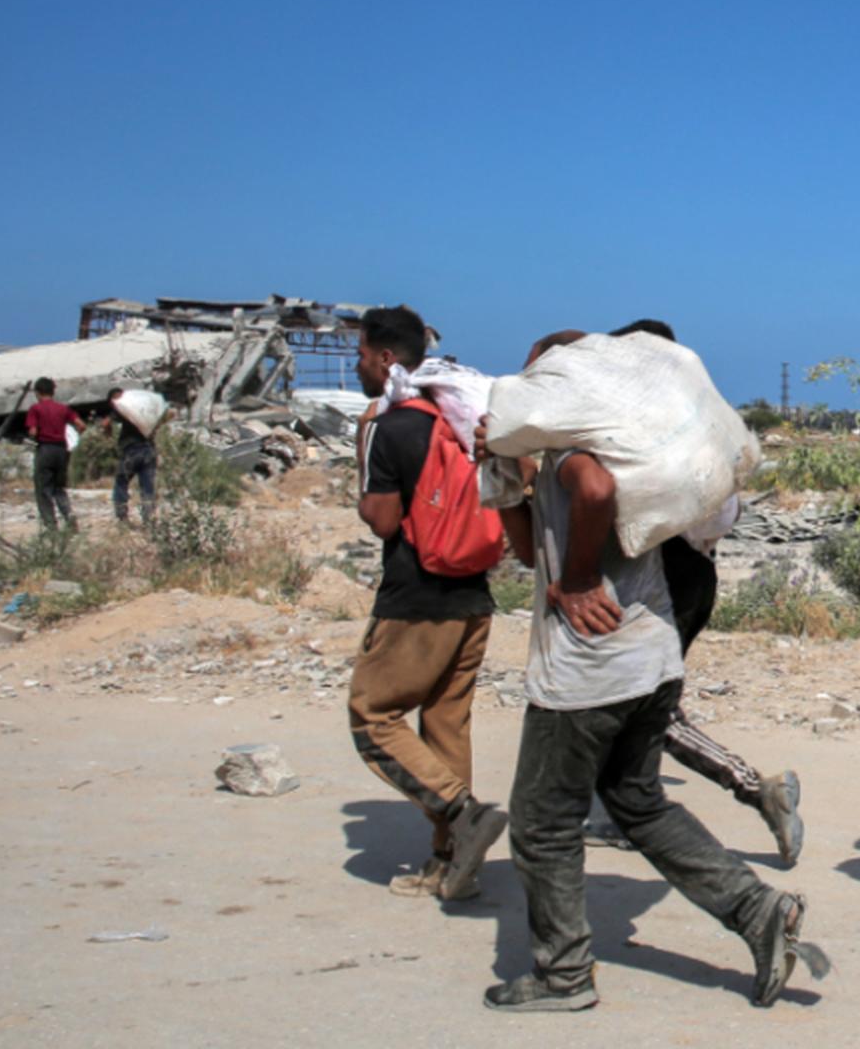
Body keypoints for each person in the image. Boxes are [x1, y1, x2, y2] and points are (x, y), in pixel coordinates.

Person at [477, 334, 821, 1014]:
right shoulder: (618, 447)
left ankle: (563, 975)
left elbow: (595, 489)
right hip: (651, 659)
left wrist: (579, 578)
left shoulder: (581, 456)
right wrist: (506, 470)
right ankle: (758, 911)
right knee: (639, 803)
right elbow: (527, 551)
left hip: (589, 669)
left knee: (542, 822)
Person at [577, 319, 803, 865]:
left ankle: (756, 788)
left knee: (644, 705)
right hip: (695, 570)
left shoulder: (653, 426)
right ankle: (625, 807)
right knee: (639, 700)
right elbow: (725, 512)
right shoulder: (702, 420)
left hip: (664, 574)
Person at [349, 305, 507, 903]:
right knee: (446, 725)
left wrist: (363, 452)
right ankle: (449, 864)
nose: (359, 366)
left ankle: (463, 814)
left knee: (373, 716)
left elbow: (382, 520)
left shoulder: (391, 428)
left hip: (415, 599)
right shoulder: (460, 422)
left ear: (387, 358)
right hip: (473, 595)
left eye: (363, 355)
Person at [23, 377, 85, 531]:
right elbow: (81, 425)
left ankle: (51, 526)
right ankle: (69, 515)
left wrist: (32, 436)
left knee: (43, 489)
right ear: (53, 391)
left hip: (45, 449)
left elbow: (33, 431)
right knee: (59, 488)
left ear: (37, 392)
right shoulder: (63, 409)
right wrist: (75, 437)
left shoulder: (36, 409)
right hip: (62, 450)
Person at [103, 388, 160, 525]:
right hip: (149, 450)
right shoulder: (142, 408)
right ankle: (149, 520)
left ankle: (122, 517)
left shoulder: (122, 408)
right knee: (147, 486)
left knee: (121, 482)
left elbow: (106, 423)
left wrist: (108, 433)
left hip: (131, 451)